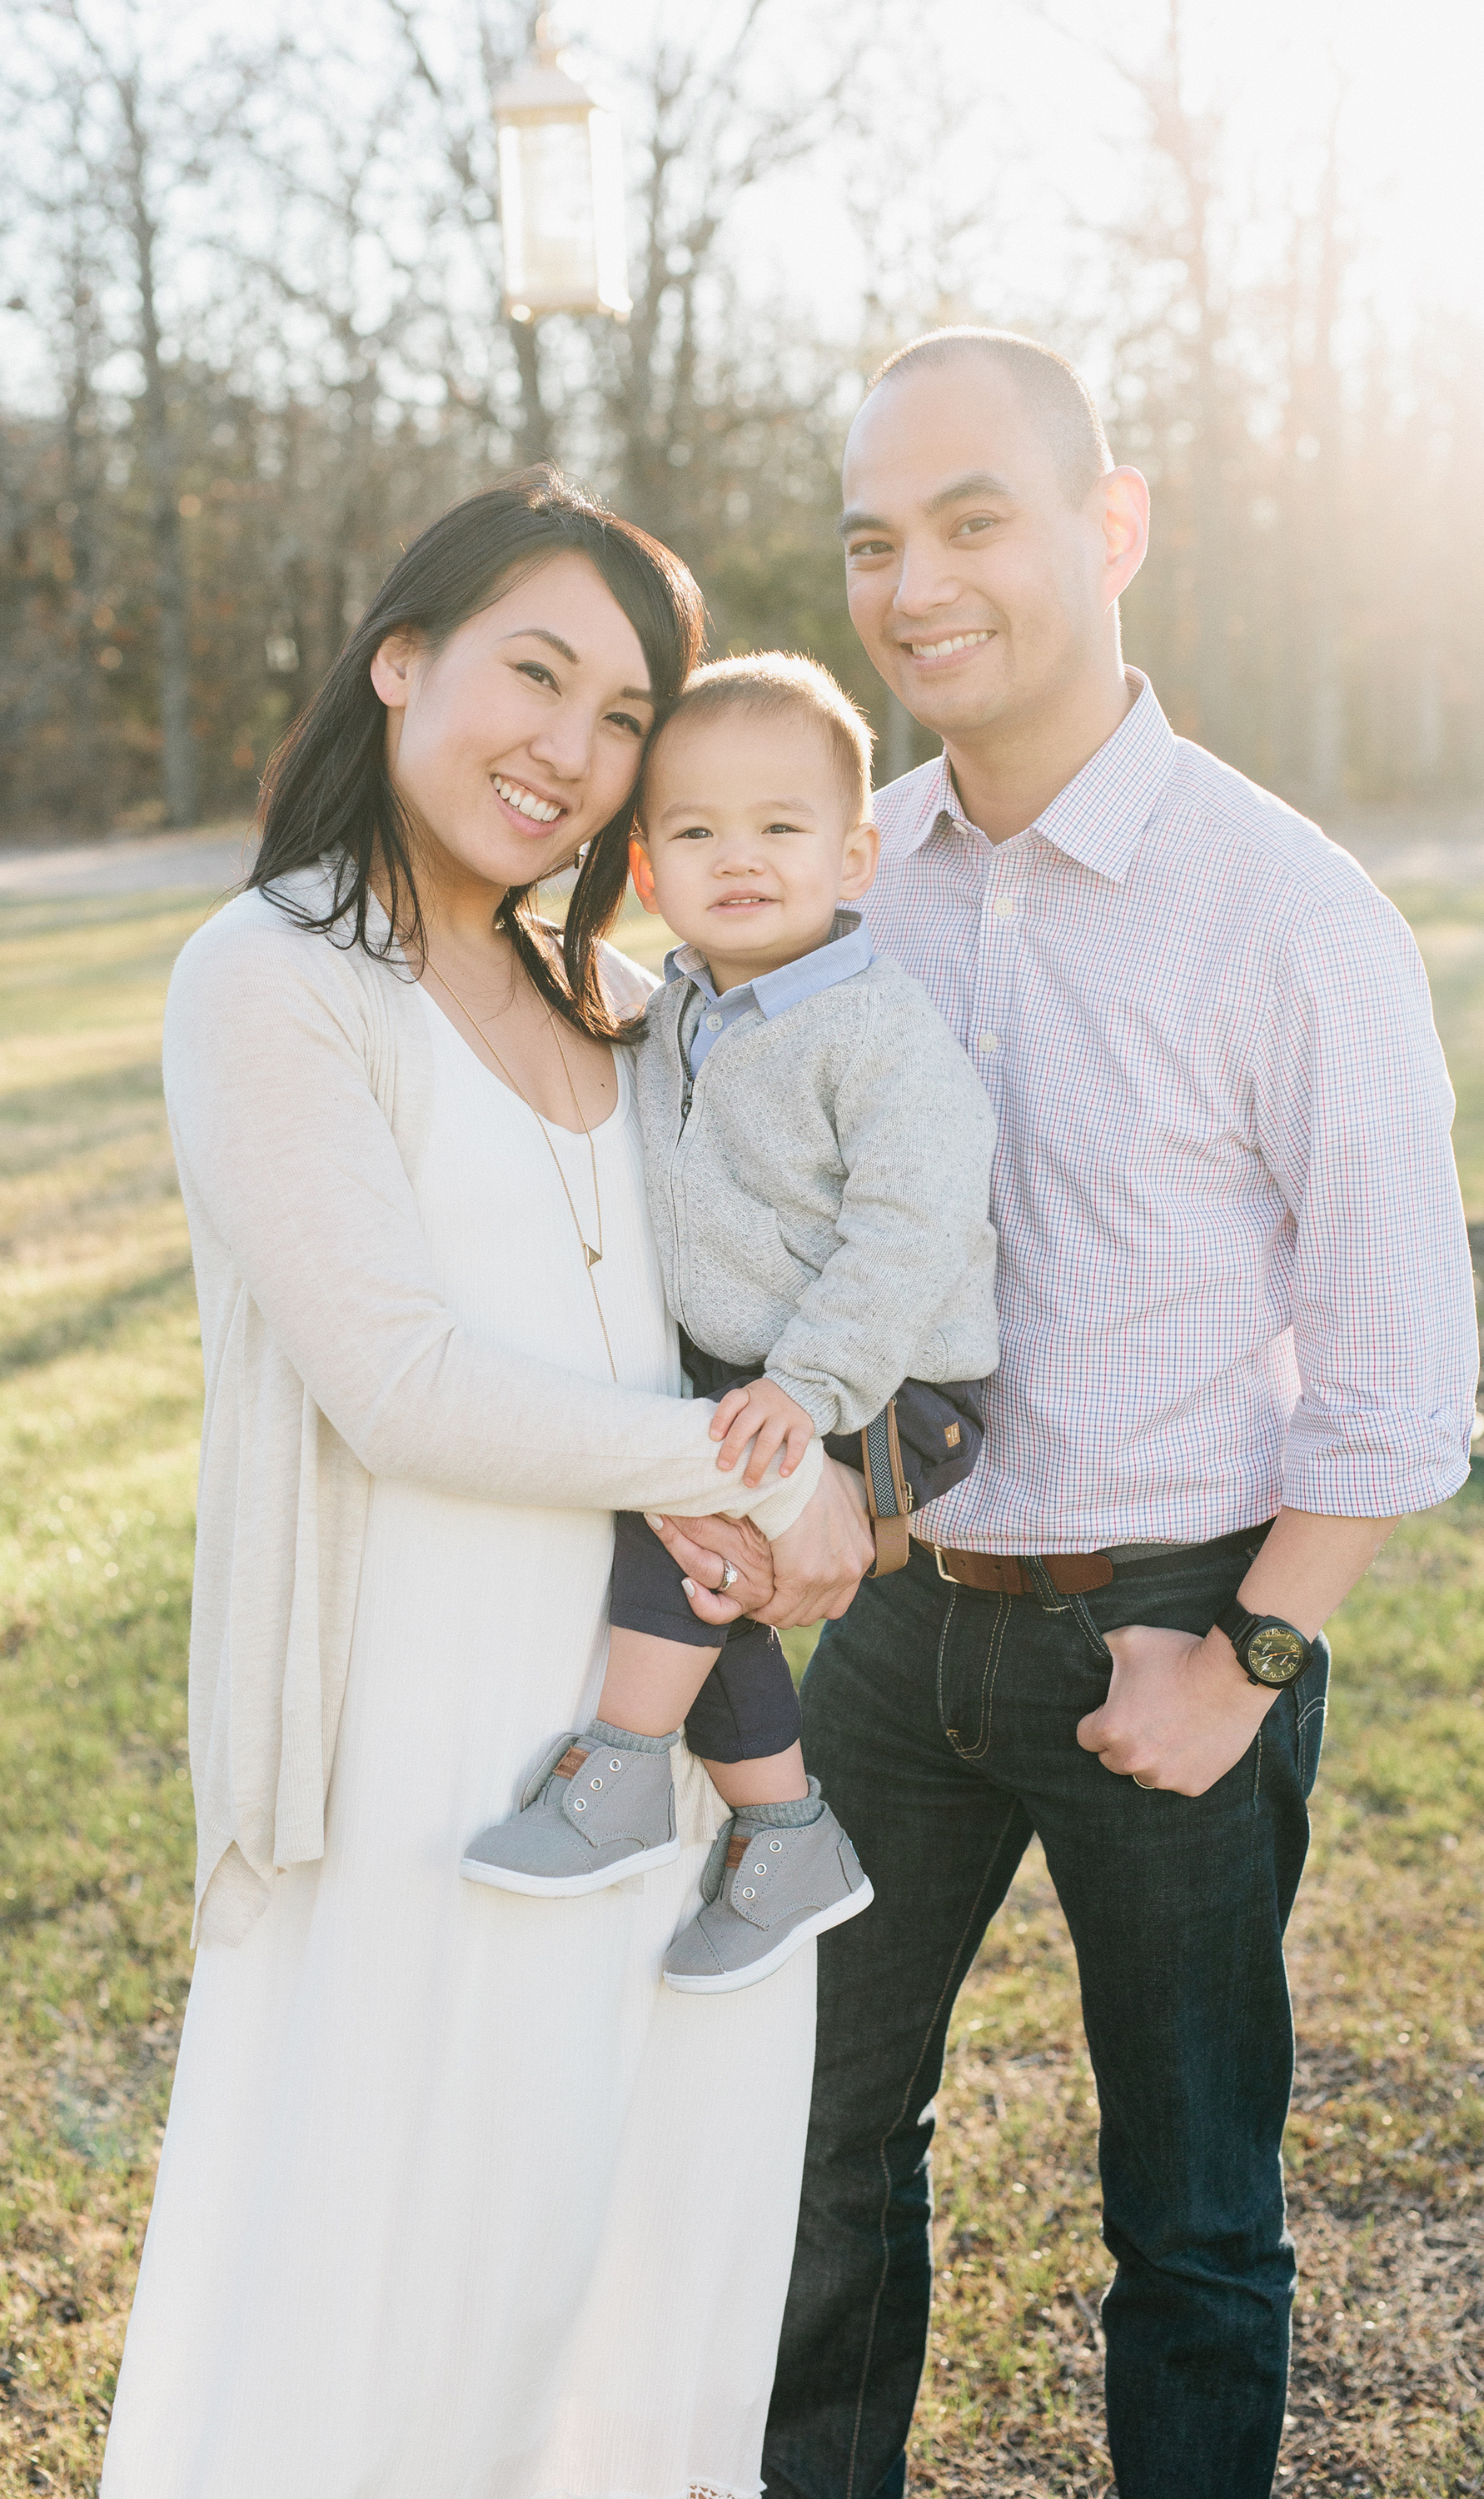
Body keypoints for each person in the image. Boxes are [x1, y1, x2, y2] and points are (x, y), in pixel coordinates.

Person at [716, 329, 1476, 2498]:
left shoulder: (1289, 909)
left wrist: (1249, 1650)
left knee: (1195, 2220)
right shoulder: (845, 865)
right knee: (811, 2159)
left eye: (975, 521)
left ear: (1109, 526)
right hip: (887, 1635)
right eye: (875, 540)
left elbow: (1403, 1355)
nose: (915, 582)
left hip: (1171, 1619)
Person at [99, 469, 872, 2499]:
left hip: (669, 1730)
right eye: (536, 675)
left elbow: (770, 1283)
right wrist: (749, 1477)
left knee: (644, 2281)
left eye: (624, 717)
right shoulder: (270, 976)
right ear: (401, 658)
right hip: (419, 1757)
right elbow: (401, 1386)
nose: (574, 750)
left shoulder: (623, 1005)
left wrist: (832, 1481)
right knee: (409, 2313)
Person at [462, 653, 998, 1994]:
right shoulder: (681, 1008)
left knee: (692, 1538)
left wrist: (812, 1389)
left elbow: (913, 1228)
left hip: (888, 1387)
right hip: (761, 1370)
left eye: (781, 827)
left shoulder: (877, 1034)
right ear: (647, 873)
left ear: (856, 853)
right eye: (697, 831)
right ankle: (783, 1833)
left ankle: (623, 1772)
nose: (739, 857)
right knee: (709, 1582)